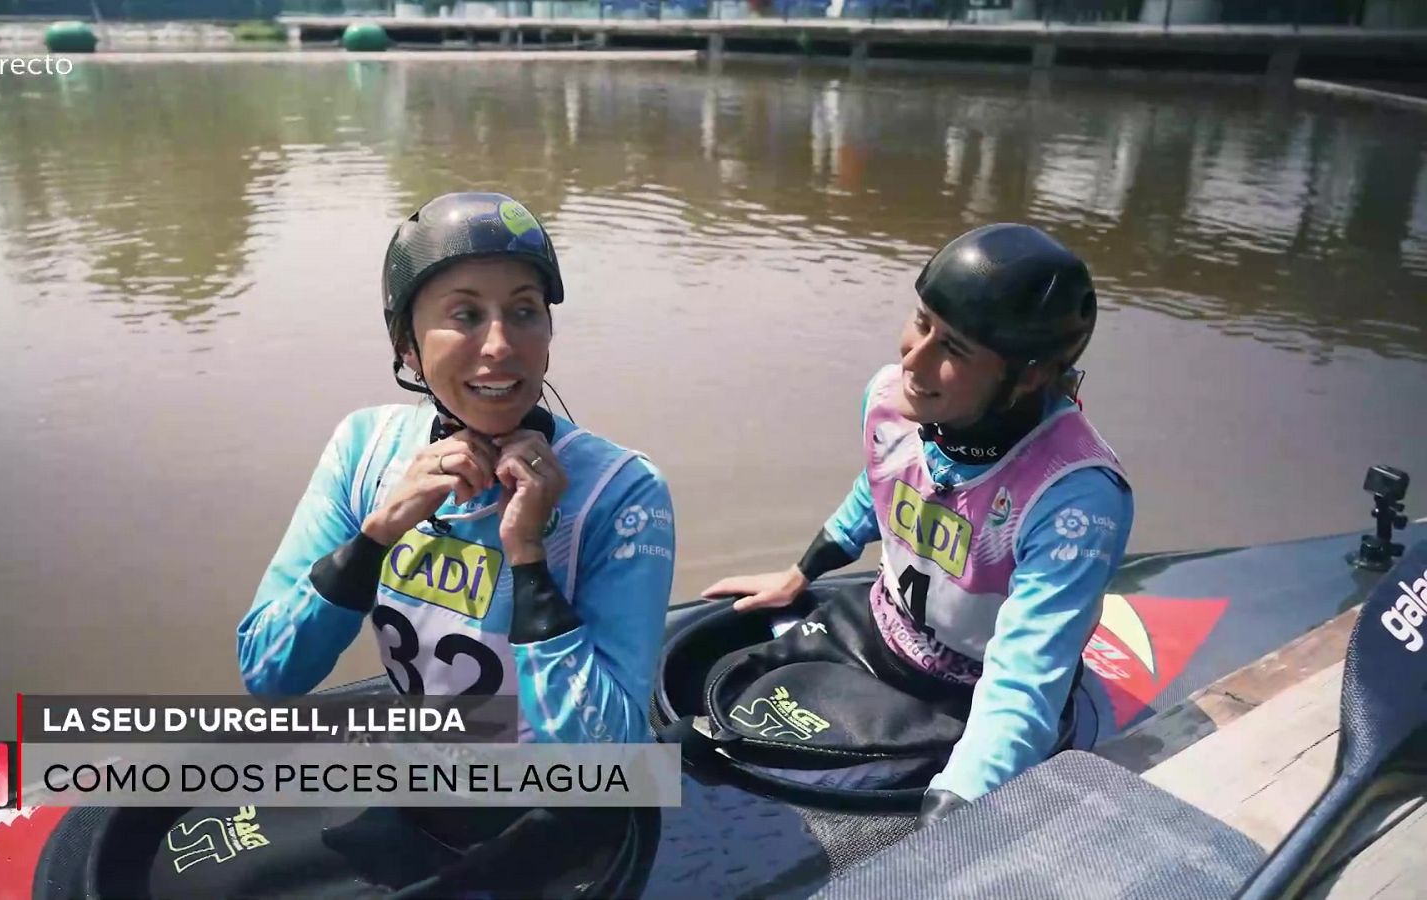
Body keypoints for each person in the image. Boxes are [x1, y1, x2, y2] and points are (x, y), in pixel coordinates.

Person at [701, 223, 1134, 826]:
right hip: (874, 630)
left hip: (969, 693)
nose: (913, 358)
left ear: (1030, 375)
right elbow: (881, 485)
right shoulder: (897, 399)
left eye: (952, 348)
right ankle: (571, 785)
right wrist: (800, 574)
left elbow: (1025, 680)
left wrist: (957, 805)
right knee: (707, 725)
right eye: (922, 322)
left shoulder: (1076, 501)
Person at [238, 191, 675, 745]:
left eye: (523, 312)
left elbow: (611, 758)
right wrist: (376, 536)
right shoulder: (364, 448)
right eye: (465, 315)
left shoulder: (621, 492)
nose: (499, 345)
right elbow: (269, 675)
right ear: (408, 347)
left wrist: (530, 561)